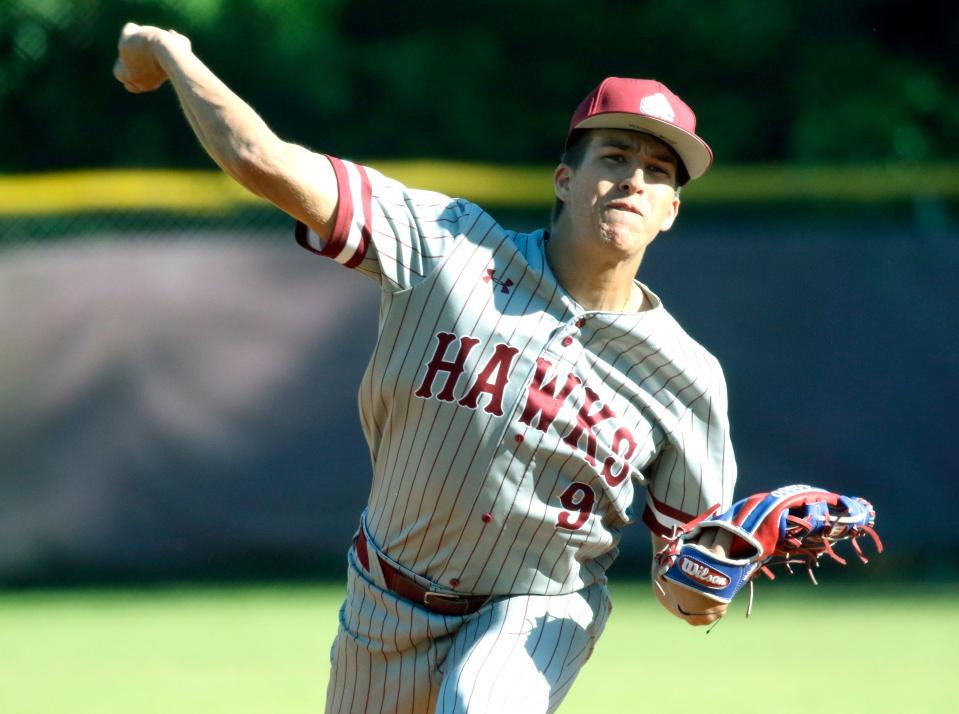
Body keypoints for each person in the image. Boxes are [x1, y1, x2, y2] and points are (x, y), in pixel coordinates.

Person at [114, 23, 737, 714]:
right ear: (565, 179)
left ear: (671, 211)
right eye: (615, 156)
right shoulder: (447, 245)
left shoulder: (687, 377)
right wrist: (174, 54)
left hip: (540, 611)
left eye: (658, 173)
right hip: (385, 602)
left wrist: (714, 576)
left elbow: (687, 596)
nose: (634, 181)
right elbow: (260, 158)